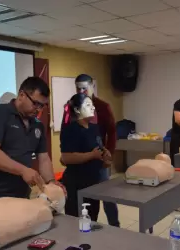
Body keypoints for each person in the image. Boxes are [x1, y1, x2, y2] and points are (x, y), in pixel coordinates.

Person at [0, 77, 64, 208]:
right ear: (21, 95)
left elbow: (43, 158)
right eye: (35, 103)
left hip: (20, 193)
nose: (38, 109)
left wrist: (51, 181)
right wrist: (23, 171)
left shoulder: (37, 126)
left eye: (42, 105)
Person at [61, 74, 120, 227]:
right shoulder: (71, 112)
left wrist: (108, 155)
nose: (81, 91)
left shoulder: (102, 108)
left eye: (84, 88)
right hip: (78, 174)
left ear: (92, 87)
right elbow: (66, 152)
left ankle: (114, 225)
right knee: (78, 215)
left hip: (97, 165)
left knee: (105, 198)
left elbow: (111, 132)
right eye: (78, 88)